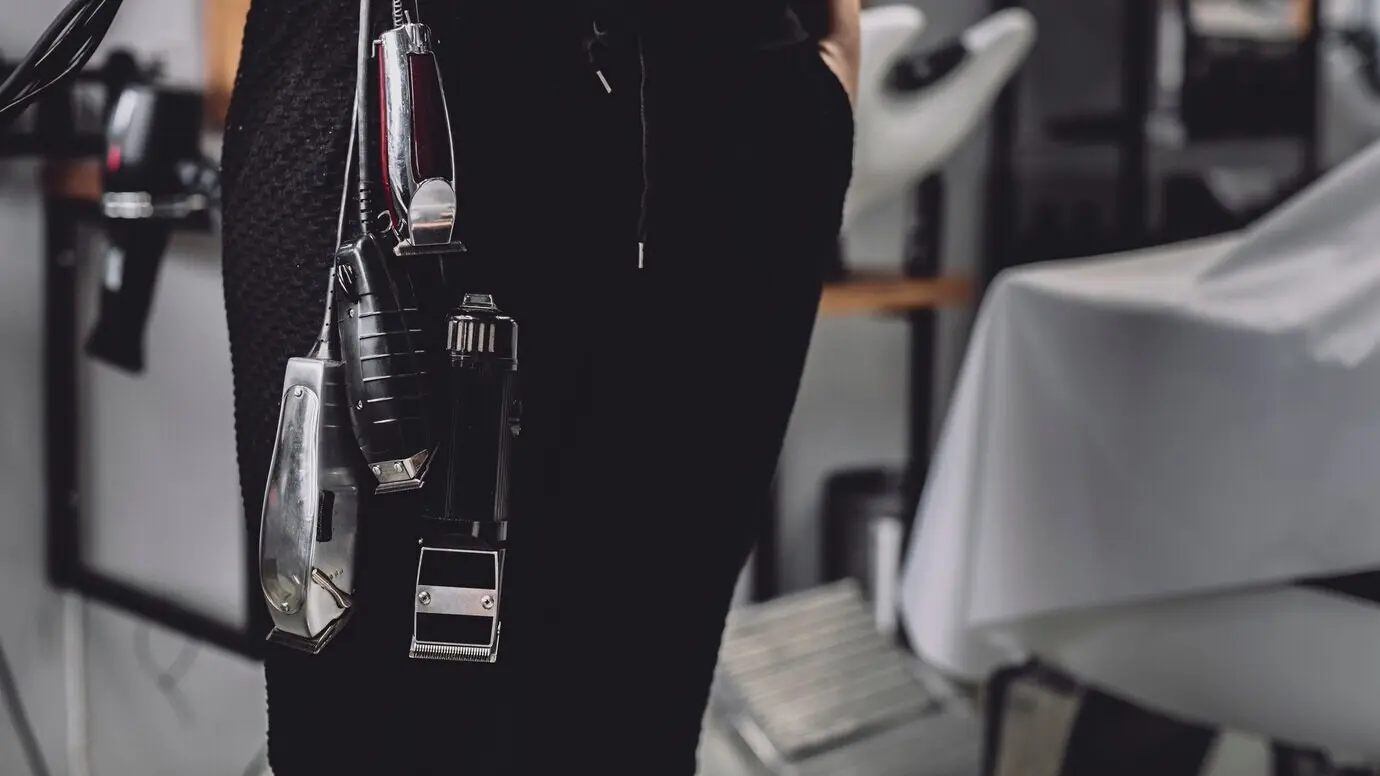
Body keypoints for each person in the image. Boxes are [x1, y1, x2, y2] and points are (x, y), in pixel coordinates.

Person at [219, 0, 856, 772]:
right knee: (371, 725)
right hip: (400, 98)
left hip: (719, 101)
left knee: (630, 717)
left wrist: (827, 56)